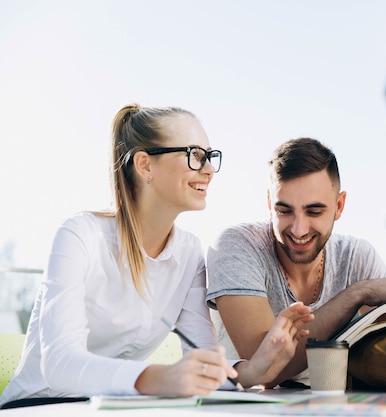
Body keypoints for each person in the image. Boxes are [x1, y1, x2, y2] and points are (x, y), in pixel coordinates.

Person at [0, 104, 313, 409]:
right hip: (35, 405)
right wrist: (160, 378)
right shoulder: (79, 236)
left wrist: (254, 369)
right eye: (194, 155)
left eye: (210, 157)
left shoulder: (189, 253)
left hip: (110, 408)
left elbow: (203, 356)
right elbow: (59, 364)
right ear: (145, 165)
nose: (207, 169)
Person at [206, 137, 386, 388]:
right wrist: (355, 295)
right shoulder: (237, 246)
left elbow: (376, 358)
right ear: (270, 204)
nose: (299, 230)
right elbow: (264, 367)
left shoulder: (359, 258)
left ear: (339, 206)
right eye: (284, 211)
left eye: (314, 212)